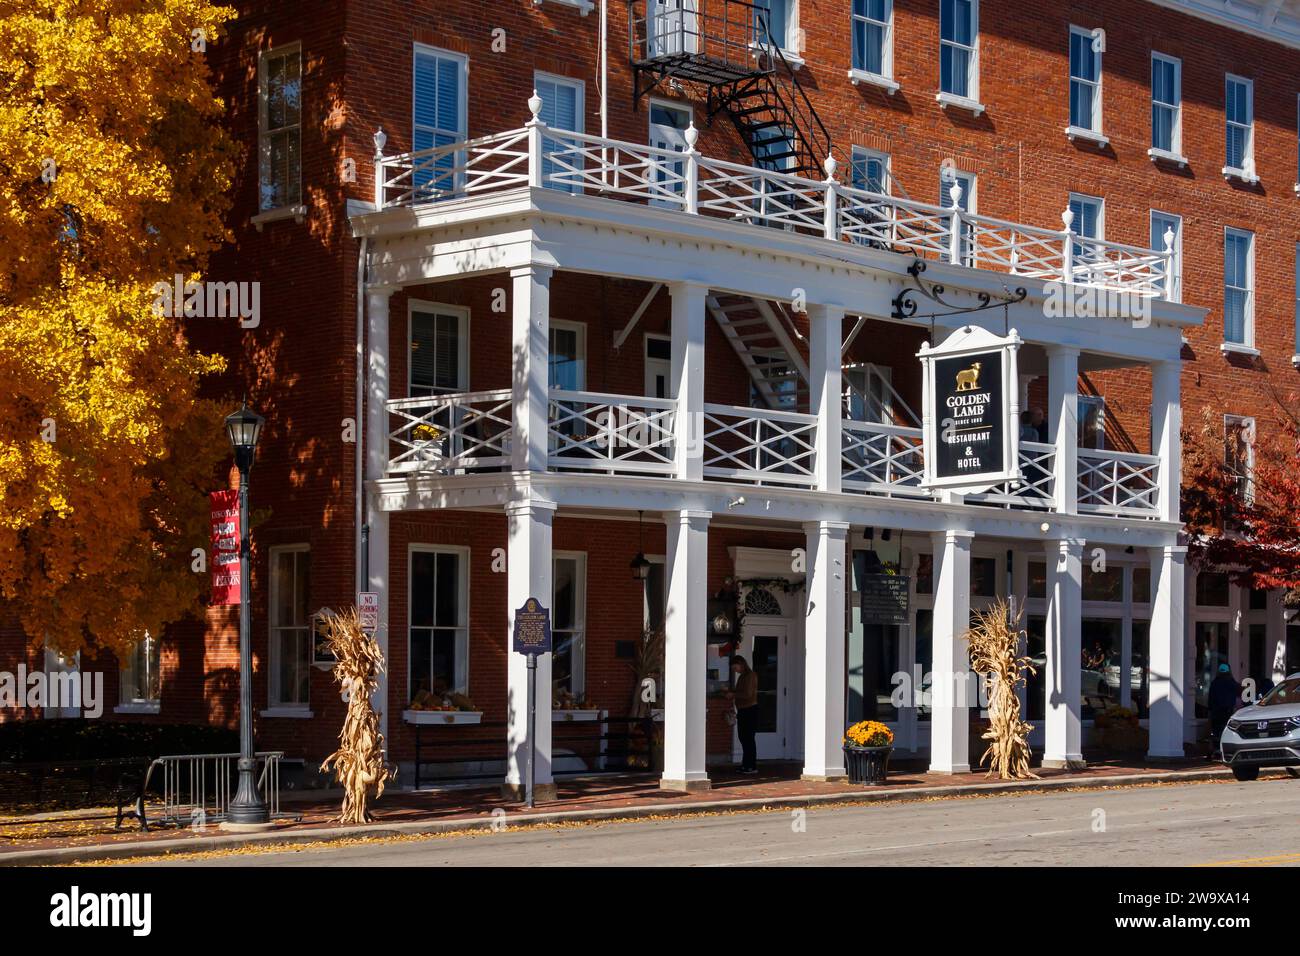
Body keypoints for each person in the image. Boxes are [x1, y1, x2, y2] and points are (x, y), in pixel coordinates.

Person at [731, 656, 759, 774]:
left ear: (741, 664)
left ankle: (751, 766)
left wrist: (733, 694)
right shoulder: (743, 676)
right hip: (743, 710)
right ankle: (746, 764)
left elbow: (747, 694)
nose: (734, 670)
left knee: (748, 738)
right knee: (743, 738)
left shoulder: (750, 675)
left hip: (749, 710)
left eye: (735, 667)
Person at [1208, 663, 1241, 745]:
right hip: (1228, 711)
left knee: (1216, 731)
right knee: (1226, 731)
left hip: (1216, 712)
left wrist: (1209, 710)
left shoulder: (1214, 683)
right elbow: (1239, 692)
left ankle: (1216, 748)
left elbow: (1210, 698)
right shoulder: (1232, 683)